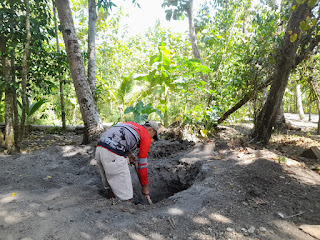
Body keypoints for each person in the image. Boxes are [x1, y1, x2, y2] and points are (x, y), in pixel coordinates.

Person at [95, 121, 159, 202]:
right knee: (126, 196)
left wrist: (128, 154)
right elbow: (142, 164)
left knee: (112, 186)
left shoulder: (130, 125)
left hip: (99, 149)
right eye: (153, 136)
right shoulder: (145, 135)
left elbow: (117, 139)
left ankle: (112, 208)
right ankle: (126, 211)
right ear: (151, 130)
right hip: (113, 154)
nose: (151, 139)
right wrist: (145, 186)